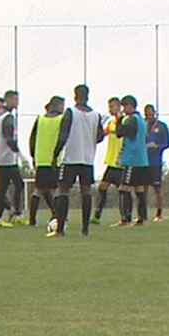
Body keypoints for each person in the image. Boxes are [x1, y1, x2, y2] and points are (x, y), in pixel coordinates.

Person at [49, 84, 104, 237]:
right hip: (88, 159)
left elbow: (63, 134)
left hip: (71, 158)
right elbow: (99, 137)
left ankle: (60, 228)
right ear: (88, 96)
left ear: (75, 96)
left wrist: (55, 154)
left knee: (63, 190)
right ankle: (85, 229)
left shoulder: (71, 112)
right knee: (86, 192)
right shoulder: (95, 114)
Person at [28, 97, 64, 226]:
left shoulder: (40, 119)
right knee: (56, 189)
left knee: (39, 189)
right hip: (54, 160)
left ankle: (33, 219)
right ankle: (57, 216)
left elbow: (32, 138)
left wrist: (33, 156)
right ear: (58, 106)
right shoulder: (61, 120)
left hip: (40, 159)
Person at [115, 95, 149, 227]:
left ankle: (125, 218)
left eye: (124, 107)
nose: (123, 110)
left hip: (132, 159)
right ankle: (141, 218)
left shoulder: (132, 120)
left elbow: (120, 133)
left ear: (130, 106)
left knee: (123, 188)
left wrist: (119, 120)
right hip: (141, 159)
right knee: (139, 189)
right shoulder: (140, 120)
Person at [0, 90, 25, 226]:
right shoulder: (8, 117)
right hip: (7, 158)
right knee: (18, 184)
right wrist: (20, 155)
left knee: (3, 187)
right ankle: (16, 213)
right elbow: (8, 138)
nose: (17, 103)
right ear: (9, 100)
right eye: (15, 100)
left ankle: (0, 216)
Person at [92, 97, 125, 225]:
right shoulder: (111, 123)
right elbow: (101, 136)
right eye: (109, 107)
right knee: (102, 187)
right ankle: (97, 215)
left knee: (123, 190)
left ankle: (125, 216)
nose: (110, 109)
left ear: (119, 107)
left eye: (112, 106)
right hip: (111, 162)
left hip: (120, 162)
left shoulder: (123, 121)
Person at [144, 104, 169, 222]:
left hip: (156, 162)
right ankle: (142, 214)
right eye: (147, 114)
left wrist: (157, 146)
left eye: (151, 114)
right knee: (142, 188)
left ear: (155, 113)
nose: (149, 116)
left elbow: (167, 143)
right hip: (143, 161)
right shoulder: (142, 125)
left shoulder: (162, 126)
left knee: (157, 189)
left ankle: (159, 214)